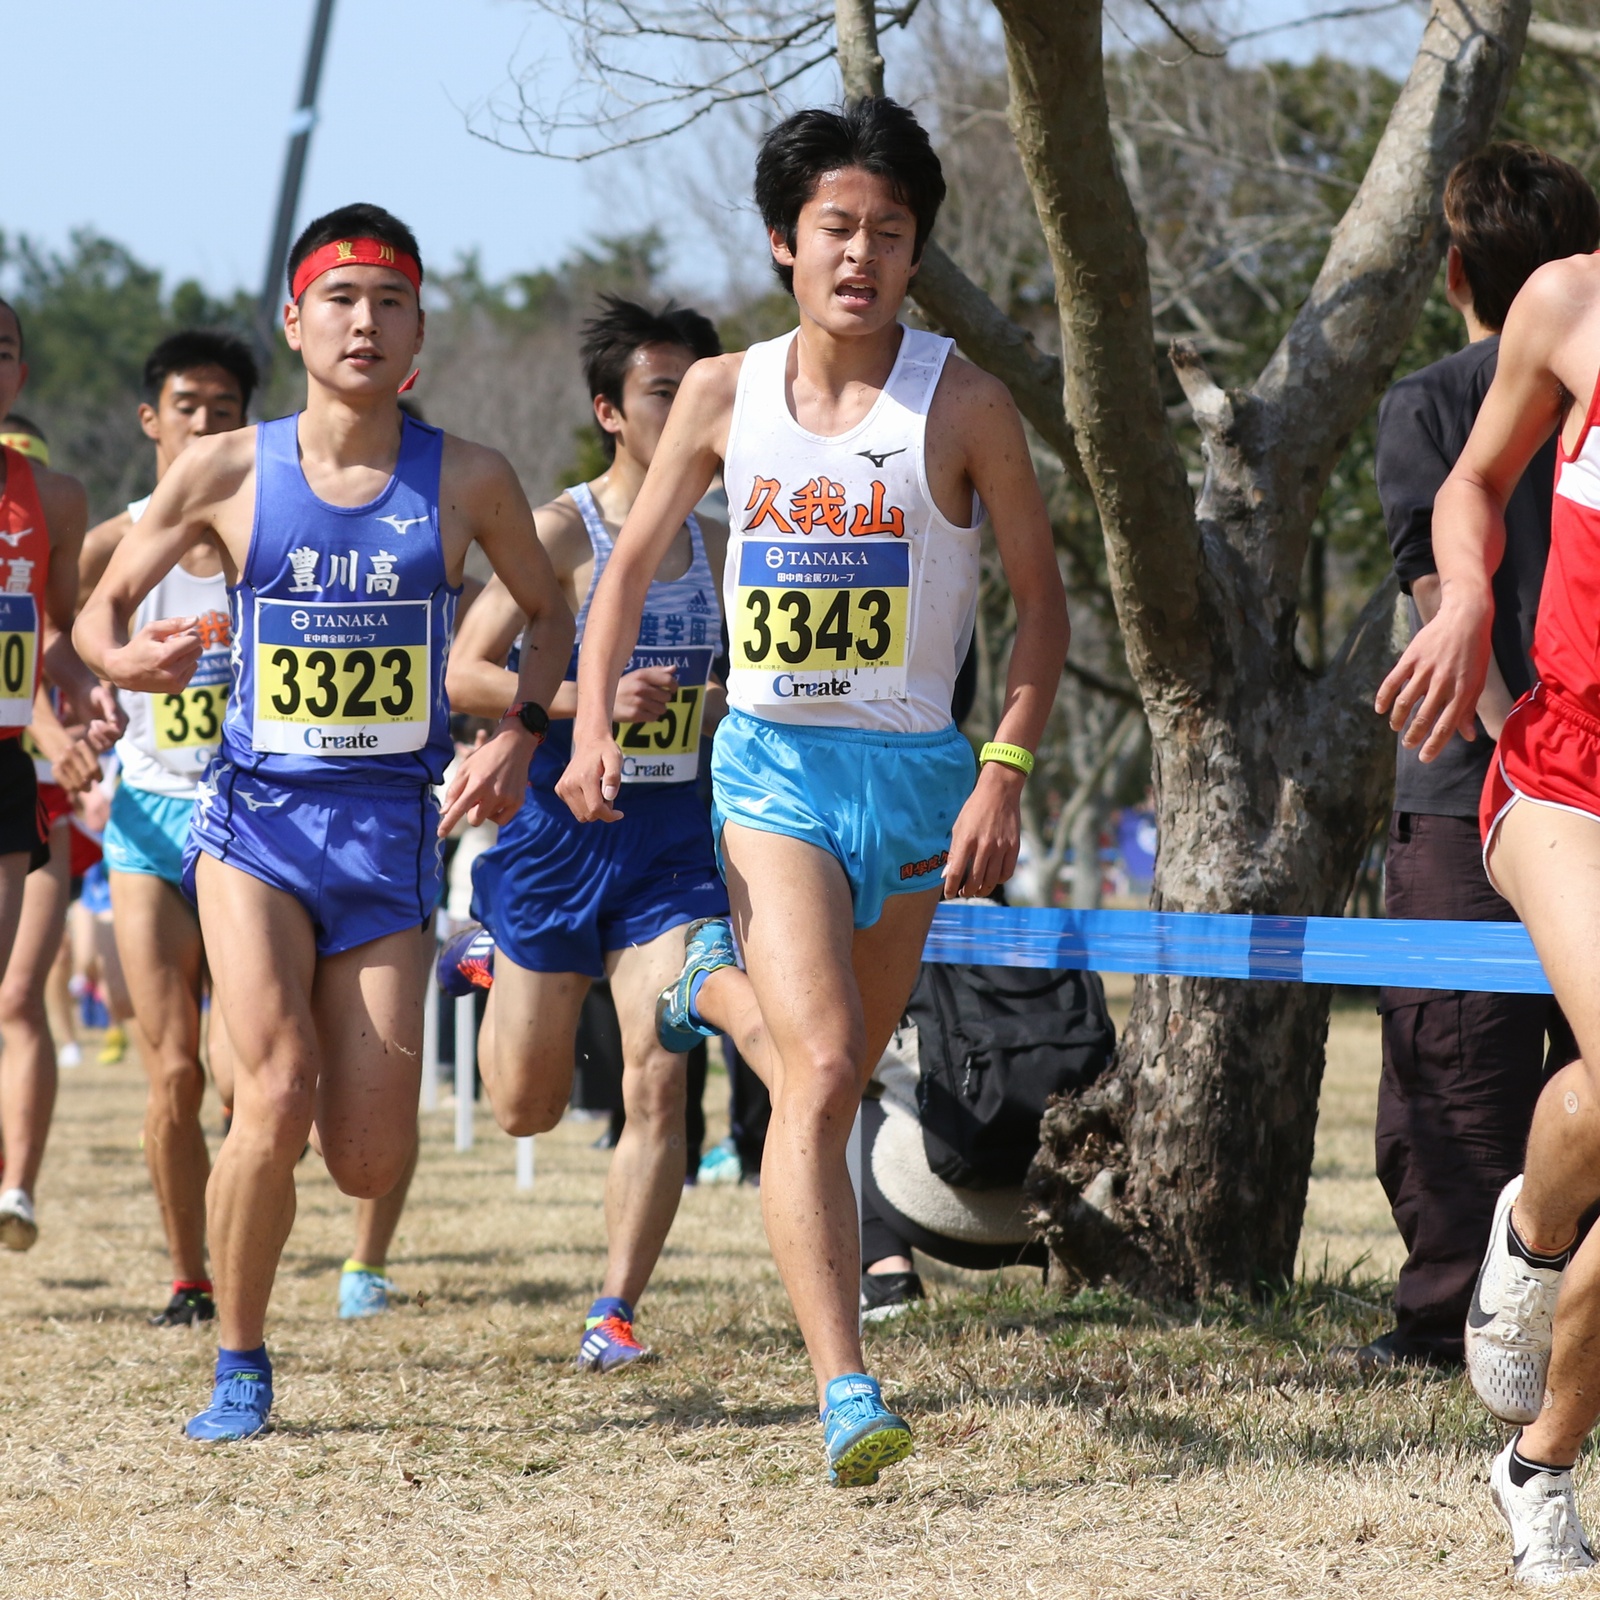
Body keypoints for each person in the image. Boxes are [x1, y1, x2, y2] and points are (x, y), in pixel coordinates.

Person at [558, 99, 1069, 1486]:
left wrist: (1005, 769)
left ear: (916, 254)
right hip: (771, 767)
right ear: (788, 243)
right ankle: (846, 1387)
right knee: (831, 1072)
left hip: (912, 779)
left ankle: (704, 974)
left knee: (836, 1062)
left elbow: (1042, 613)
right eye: (836, 229)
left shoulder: (963, 404)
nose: (861, 255)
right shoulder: (725, 394)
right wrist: (593, 720)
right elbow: (630, 562)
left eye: (889, 234)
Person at [76, 203, 573, 1440]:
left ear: (418, 330)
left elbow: (549, 614)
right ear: (294, 321)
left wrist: (519, 731)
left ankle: (293, 1244)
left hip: (389, 842)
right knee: (277, 1084)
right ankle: (238, 1358)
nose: (364, 321)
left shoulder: (467, 477)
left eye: (388, 301)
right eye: (340, 298)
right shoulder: (227, 468)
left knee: (363, 1156)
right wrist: (120, 656)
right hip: (253, 829)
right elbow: (99, 606)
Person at [1376, 155, 1600, 1577]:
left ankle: (1535, 1423)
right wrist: (1465, 596)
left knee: (1590, 1096)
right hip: (1564, 768)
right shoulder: (1567, 308)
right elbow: (1471, 486)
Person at [441, 294, 731, 1370]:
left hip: (671, 842)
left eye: (702, 386)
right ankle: (489, 956)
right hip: (559, 836)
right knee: (524, 1106)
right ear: (611, 409)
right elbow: (465, 669)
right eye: (666, 390)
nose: (692, 404)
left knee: (660, 1071)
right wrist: (585, 704)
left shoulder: (719, 537)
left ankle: (614, 1310)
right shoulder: (565, 530)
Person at [0, 305, 122, 1252]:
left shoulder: (58, 497)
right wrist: (50, 724)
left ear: (23, 373)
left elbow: (48, 633)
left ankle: (18, 1185)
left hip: (10, 767)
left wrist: (90, 693)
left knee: (10, 994)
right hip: (26, 744)